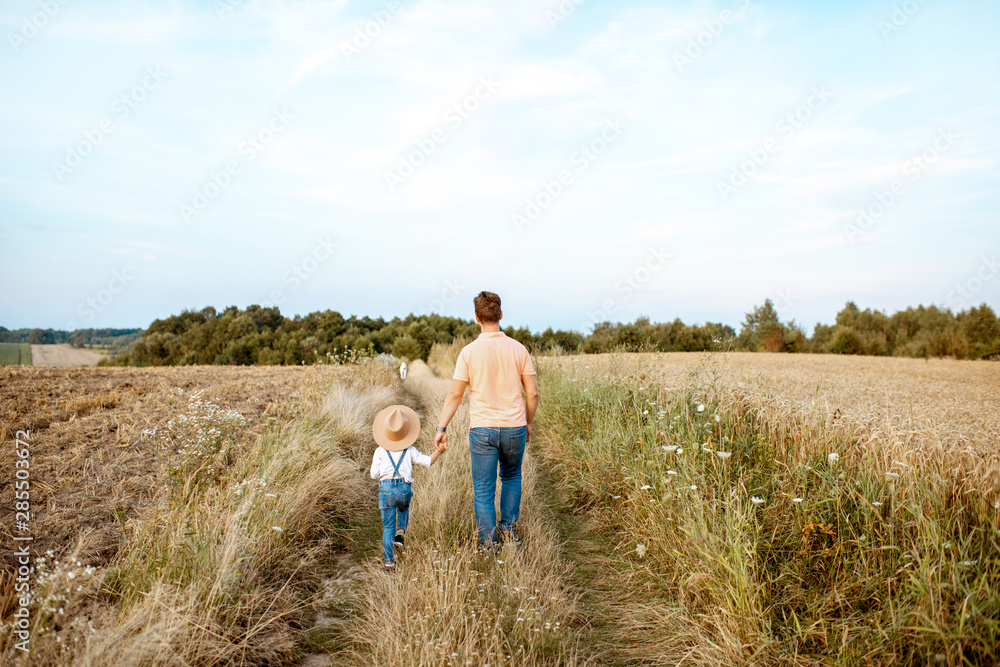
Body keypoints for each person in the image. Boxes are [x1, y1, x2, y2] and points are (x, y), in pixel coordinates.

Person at [434, 291, 539, 548]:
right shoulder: (519, 349)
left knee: (483, 488)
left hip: (482, 429)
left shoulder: (468, 353)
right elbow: (533, 393)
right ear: (500, 315)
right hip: (514, 426)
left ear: (477, 318)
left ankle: (488, 543)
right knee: (512, 477)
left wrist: (441, 427)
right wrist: (528, 422)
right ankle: (508, 534)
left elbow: (455, 395)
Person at [370, 404, 445, 572]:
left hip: (386, 489)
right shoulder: (409, 449)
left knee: (387, 528)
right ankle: (401, 533)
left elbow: (374, 475)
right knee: (403, 508)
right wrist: (439, 451)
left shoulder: (380, 451)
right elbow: (428, 461)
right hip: (404, 488)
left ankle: (389, 564)